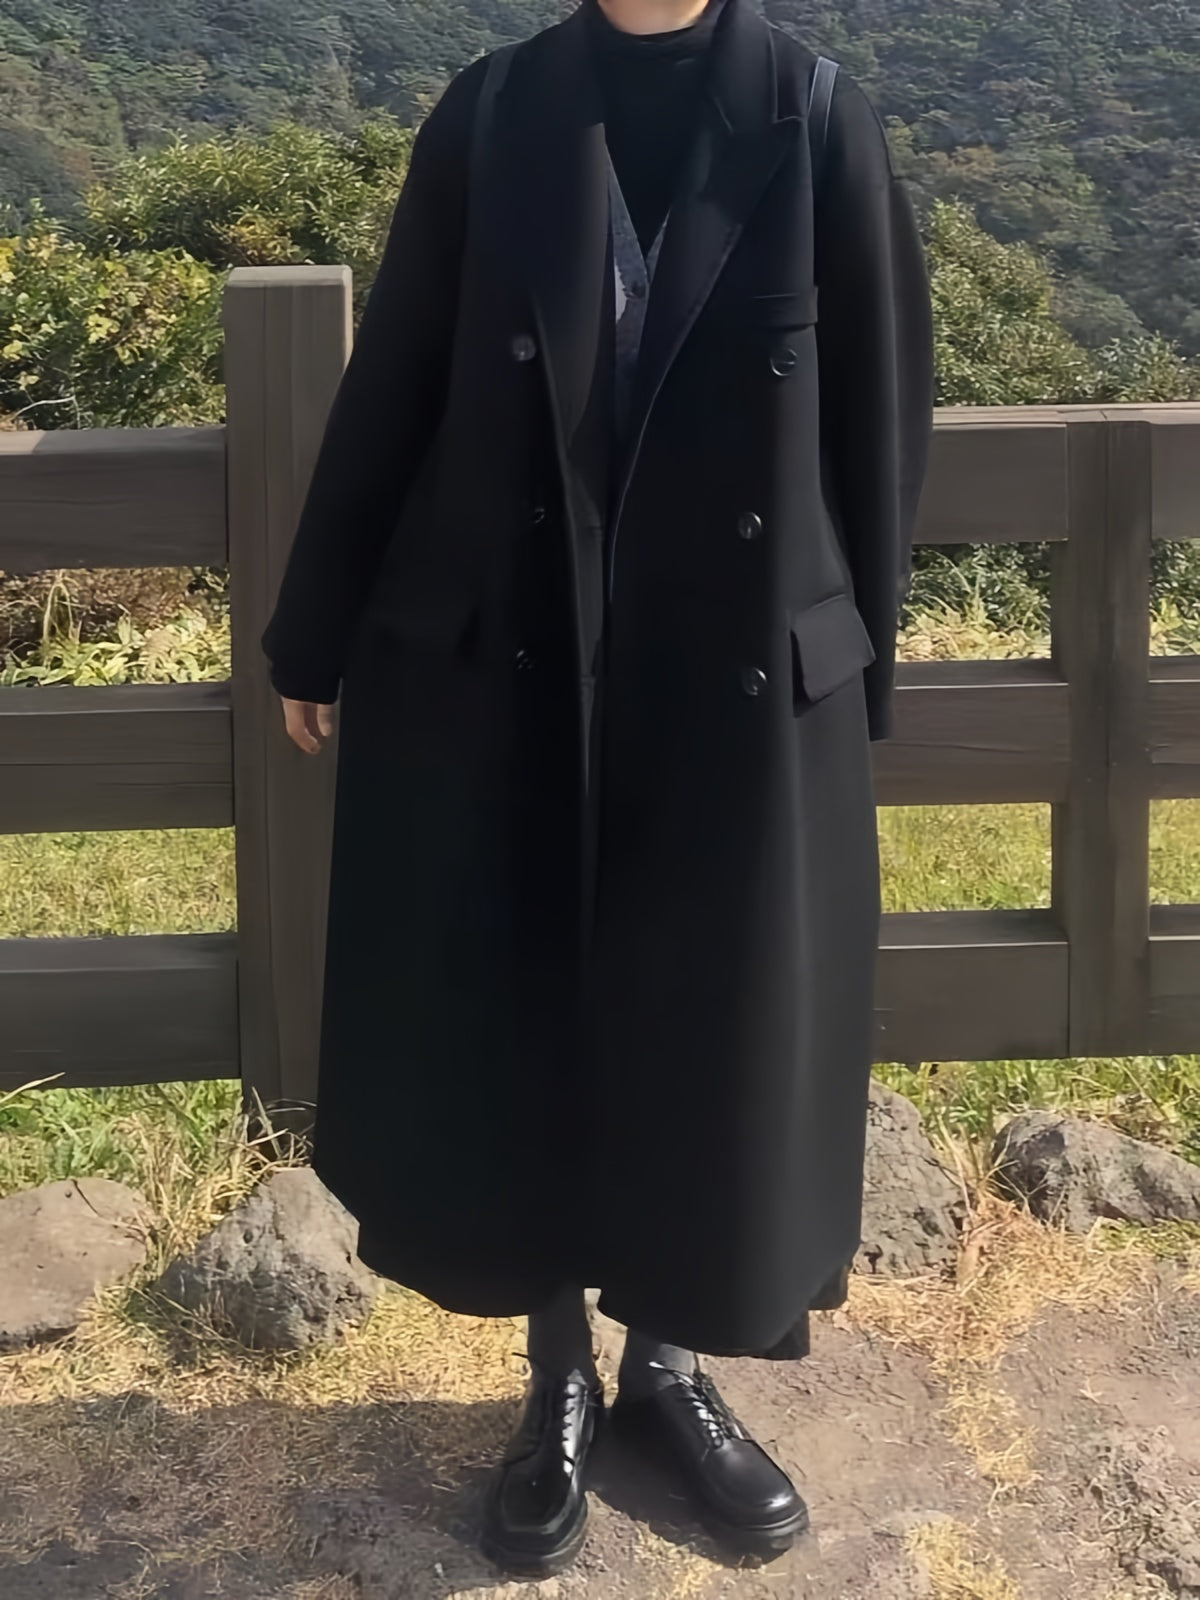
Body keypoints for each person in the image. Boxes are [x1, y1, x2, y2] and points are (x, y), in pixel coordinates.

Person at [261, 0, 935, 1578]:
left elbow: (879, 420)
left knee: (705, 1024)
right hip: (516, 660)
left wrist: (854, 668)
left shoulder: (817, 121)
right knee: (532, 1014)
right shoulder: (492, 116)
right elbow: (396, 381)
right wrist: (313, 629)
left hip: (731, 677)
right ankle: (555, 1373)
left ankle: (669, 1369)